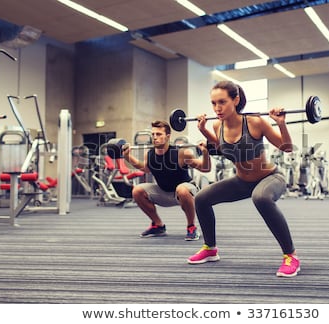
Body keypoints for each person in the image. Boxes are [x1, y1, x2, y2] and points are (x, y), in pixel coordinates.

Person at [188, 80, 300, 277]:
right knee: (201, 198)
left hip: (270, 178)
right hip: (241, 182)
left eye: (222, 102)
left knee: (261, 198)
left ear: (236, 100)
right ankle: (210, 249)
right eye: (213, 103)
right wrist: (204, 130)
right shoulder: (217, 125)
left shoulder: (255, 122)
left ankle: (291, 256)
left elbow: (286, 148)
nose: (217, 108)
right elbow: (224, 149)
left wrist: (281, 123)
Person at [122, 120, 211, 240]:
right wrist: (128, 157)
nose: (155, 138)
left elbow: (205, 168)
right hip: (164, 192)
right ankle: (158, 225)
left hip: (185, 192)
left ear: (168, 136)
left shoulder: (181, 153)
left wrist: (205, 153)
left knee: (182, 189)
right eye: (153, 135)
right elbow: (145, 168)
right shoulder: (149, 154)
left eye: (159, 134)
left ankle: (191, 227)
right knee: (137, 190)